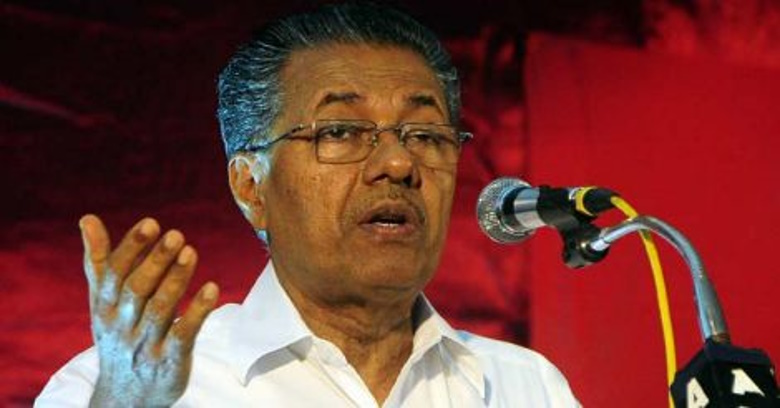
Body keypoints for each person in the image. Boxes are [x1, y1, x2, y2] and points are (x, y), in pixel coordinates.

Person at [37, 3, 579, 407]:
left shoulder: (525, 387)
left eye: (425, 134)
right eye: (340, 131)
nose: (398, 163)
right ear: (251, 187)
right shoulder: (118, 389)